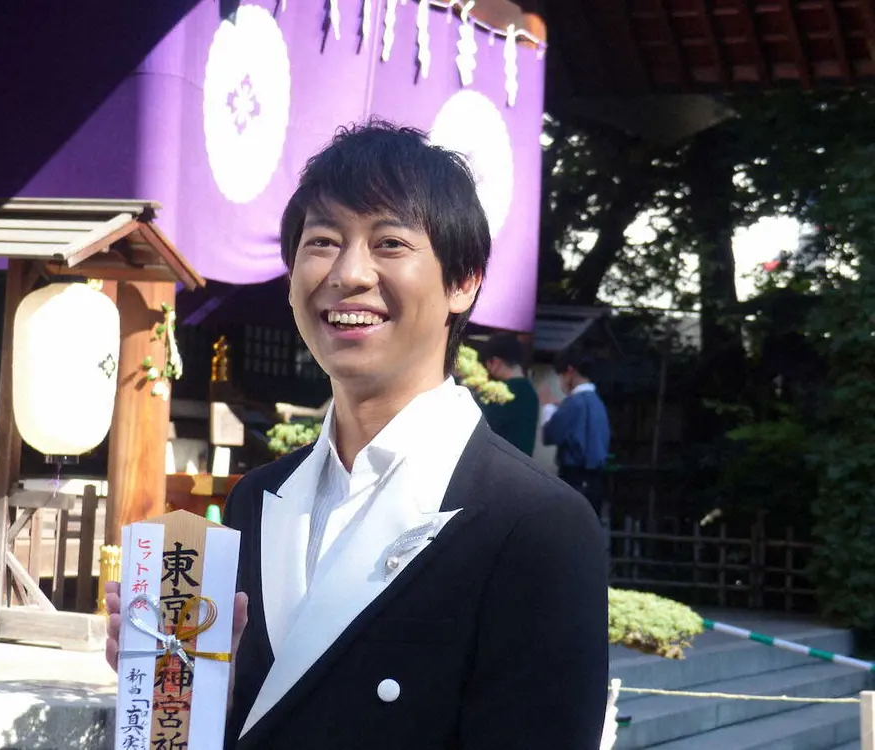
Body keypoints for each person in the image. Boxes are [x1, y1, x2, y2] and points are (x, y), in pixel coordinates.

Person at [105, 120, 608, 749]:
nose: (349, 273)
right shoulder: (257, 500)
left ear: (463, 282)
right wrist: (192, 699)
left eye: (390, 243)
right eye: (322, 241)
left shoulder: (535, 522)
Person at [540, 349, 611, 516]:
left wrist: (547, 407)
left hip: (575, 479)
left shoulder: (574, 402)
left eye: (561, 375)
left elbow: (550, 435)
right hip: (595, 480)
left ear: (570, 371)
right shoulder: (596, 402)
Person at [478, 332, 540, 456]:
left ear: (495, 362)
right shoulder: (531, 392)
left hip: (498, 461)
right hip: (524, 462)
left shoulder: (499, 392)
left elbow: (481, 429)